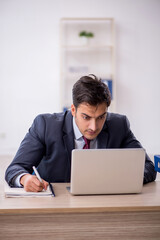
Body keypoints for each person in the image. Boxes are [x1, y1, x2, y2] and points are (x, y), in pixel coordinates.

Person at [5, 74, 156, 192]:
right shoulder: (45, 125)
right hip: (57, 206)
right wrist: (25, 179)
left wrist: (121, 180)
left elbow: (148, 167)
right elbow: (14, 168)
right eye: (86, 117)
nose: (94, 126)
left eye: (101, 117)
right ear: (73, 110)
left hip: (105, 204)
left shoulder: (119, 125)